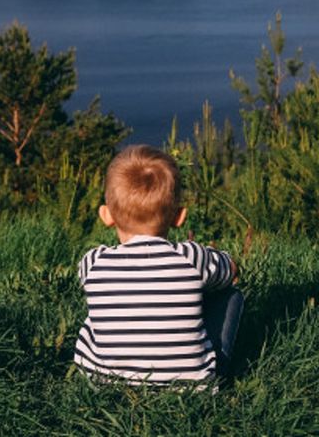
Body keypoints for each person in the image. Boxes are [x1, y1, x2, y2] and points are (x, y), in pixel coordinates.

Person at [73, 145, 244, 386]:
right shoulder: (191, 257)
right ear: (179, 217)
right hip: (190, 388)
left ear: (106, 215)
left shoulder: (93, 262)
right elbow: (231, 270)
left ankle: (109, 365)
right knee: (231, 295)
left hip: (102, 383)